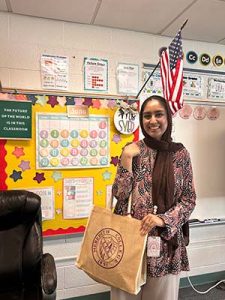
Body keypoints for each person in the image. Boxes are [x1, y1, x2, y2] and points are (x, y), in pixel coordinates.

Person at [111, 95, 196, 300]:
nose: (152, 120)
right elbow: (120, 196)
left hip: (164, 244)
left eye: (158, 114)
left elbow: (189, 199)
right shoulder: (132, 150)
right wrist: (126, 159)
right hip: (130, 240)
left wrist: (163, 219)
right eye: (147, 115)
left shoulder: (180, 154)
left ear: (168, 118)